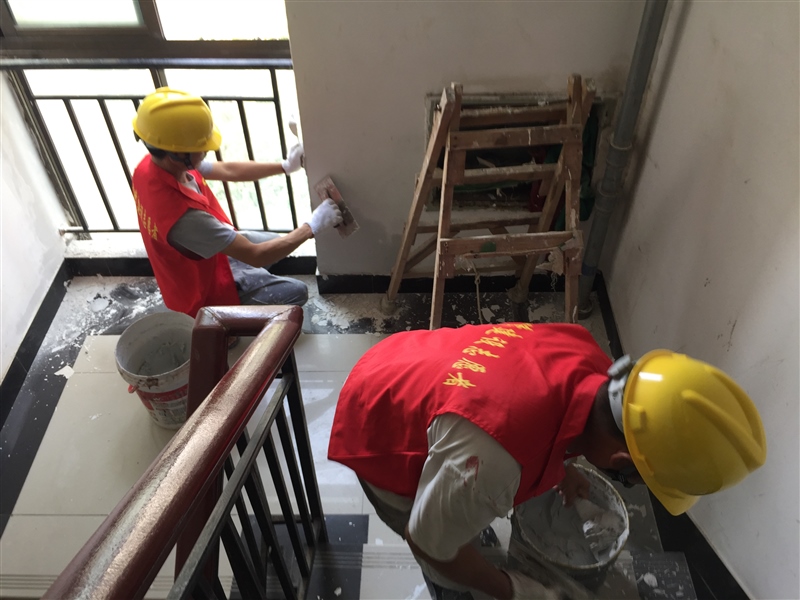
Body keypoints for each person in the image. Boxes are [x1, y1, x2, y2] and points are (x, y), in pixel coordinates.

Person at [328, 322, 767, 600]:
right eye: (632, 478)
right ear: (618, 459)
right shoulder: (492, 465)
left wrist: (563, 466)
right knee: (445, 554)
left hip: (411, 362)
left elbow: (553, 411)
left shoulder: (589, 356)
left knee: (458, 507)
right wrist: (514, 589)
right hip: (377, 418)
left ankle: (459, 522)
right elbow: (425, 540)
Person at [130, 87, 342, 318]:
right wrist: (311, 227)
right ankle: (227, 322)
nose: (206, 151)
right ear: (178, 155)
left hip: (204, 258)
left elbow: (227, 170)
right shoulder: (185, 219)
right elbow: (256, 255)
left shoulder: (151, 167)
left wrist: (283, 167)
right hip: (204, 292)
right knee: (297, 292)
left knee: (277, 243)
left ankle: (252, 282)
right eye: (202, 149)